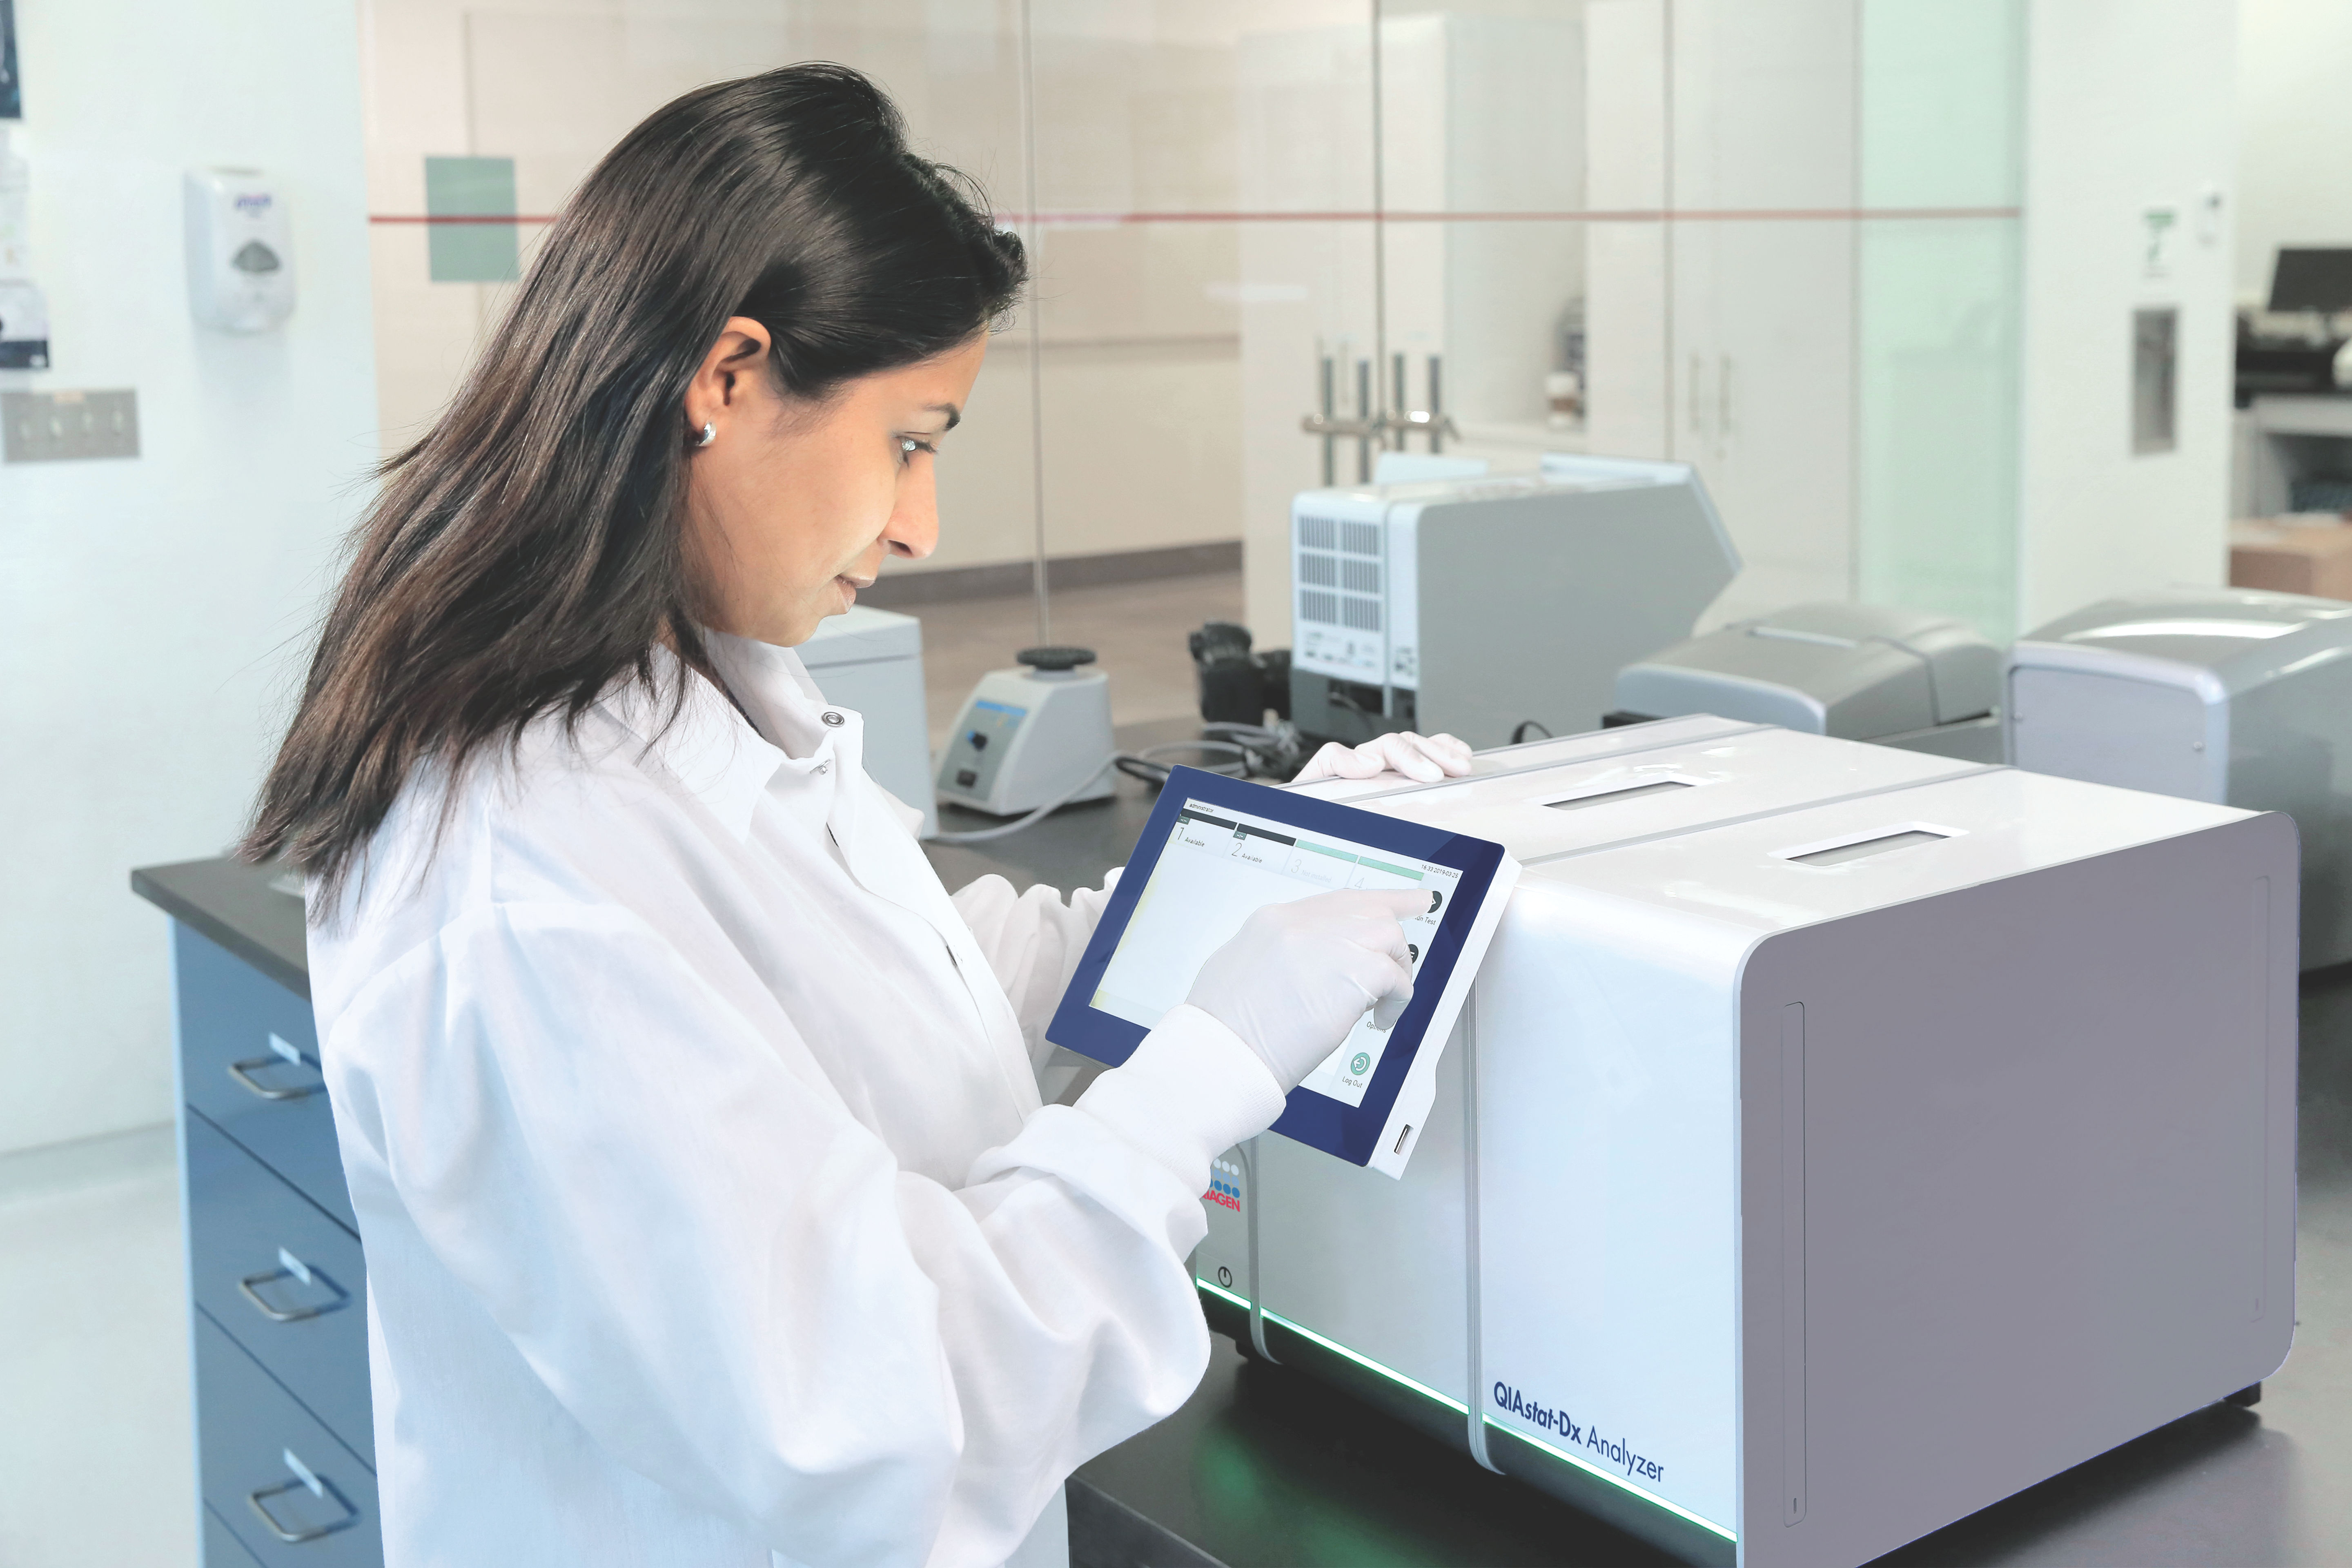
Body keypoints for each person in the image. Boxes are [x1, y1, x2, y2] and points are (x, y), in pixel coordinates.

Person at [243, 64, 1472, 1568]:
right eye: (911, 438)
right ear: (727, 378)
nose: (921, 525)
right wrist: (1212, 1062)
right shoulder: (523, 875)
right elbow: (872, 1414)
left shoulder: (696, 699)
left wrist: (1246, 887)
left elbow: (919, 982)